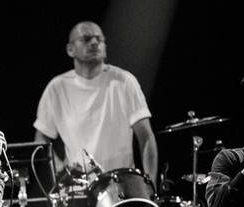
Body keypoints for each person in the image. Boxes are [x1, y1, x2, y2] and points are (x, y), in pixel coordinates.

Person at [33, 20, 158, 185]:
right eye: (86, 39)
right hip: (78, 192)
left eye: (99, 39)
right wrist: (62, 170)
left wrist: (151, 186)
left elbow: (146, 136)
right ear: (70, 49)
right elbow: (41, 140)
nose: (94, 43)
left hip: (121, 189)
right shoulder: (57, 88)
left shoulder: (124, 81)